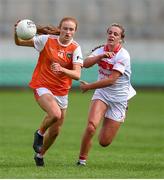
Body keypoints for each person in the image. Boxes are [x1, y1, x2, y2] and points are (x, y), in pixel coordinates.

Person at [14, 16, 83, 166]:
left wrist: (62, 69)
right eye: (65, 28)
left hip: (62, 92)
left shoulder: (75, 48)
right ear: (60, 29)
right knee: (55, 114)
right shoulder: (46, 40)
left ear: (75, 31)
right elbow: (19, 42)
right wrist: (16, 31)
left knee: (56, 131)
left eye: (71, 29)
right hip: (42, 85)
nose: (68, 32)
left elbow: (77, 75)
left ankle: (40, 155)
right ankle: (39, 133)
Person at [77, 23, 136, 166]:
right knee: (91, 126)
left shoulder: (123, 55)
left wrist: (89, 86)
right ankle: (81, 161)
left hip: (119, 99)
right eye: (110, 32)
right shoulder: (100, 50)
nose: (112, 35)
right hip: (102, 94)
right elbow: (84, 63)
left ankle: (121, 112)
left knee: (104, 142)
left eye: (116, 34)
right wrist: (100, 56)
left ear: (121, 39)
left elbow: (111, 80)